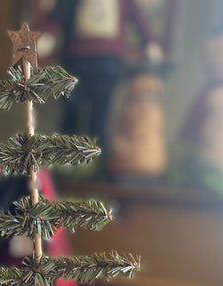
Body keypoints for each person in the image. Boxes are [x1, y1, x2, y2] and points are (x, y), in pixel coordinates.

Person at [38, 0, 163, 165]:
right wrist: (49, 34)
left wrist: (149, 42)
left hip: (108, 63)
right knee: (71, 110)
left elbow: (137, 15)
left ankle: (97, 162)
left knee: (101, 114)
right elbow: (61, 12)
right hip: (77, 60)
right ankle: (67, 159)